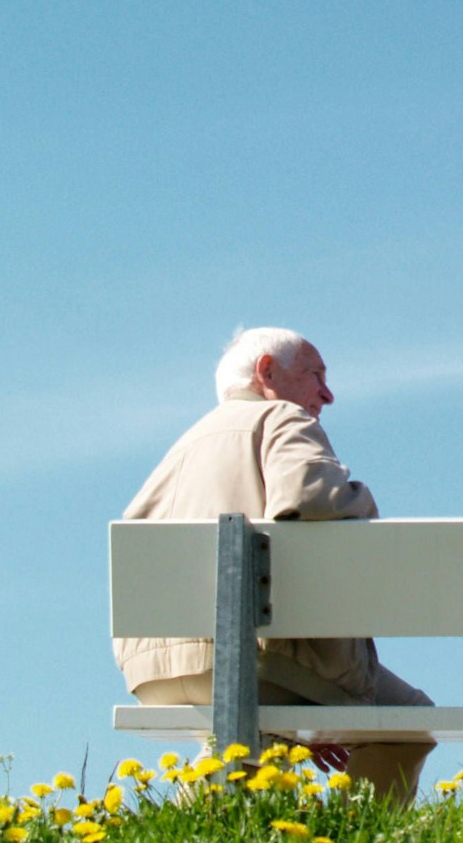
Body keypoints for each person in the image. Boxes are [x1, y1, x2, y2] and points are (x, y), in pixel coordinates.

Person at [114, 327, 435, 804]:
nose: (327, 393)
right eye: (315, 375)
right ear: (267, 372)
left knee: (252, 723)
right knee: (407, 723)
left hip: (158, 669)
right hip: (263, 661)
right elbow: (311, 499)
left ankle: (179, 836)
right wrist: (363, 499)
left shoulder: (181, 447)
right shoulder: (281, 417)